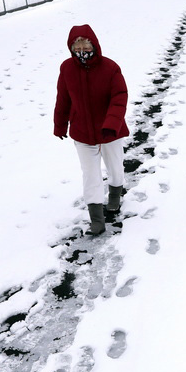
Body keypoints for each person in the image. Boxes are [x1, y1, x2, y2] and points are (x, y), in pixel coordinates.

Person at [53, 24, 129, 236]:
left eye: (85, 46)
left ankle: (114, 195)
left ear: (94, 44)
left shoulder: (110, 68)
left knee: (114, 167)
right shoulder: (67, 68)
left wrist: (111, 124)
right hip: (82, 132)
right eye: (77, 49)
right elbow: (63, 99)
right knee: (90, 174)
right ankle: (97, 219)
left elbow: (120, 97)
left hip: (109, 131)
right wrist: (60, 124)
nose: (82, 52)